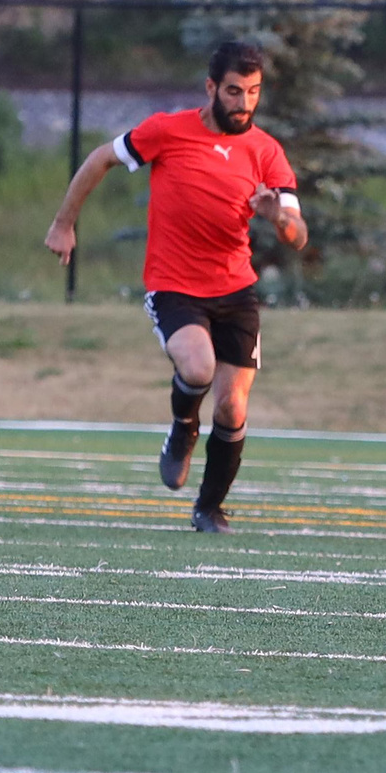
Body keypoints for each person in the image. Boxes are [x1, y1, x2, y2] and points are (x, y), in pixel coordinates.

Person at [44, 40, 306, 533]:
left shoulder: (266, 150)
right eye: (233, 91)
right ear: (211, 88)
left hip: (236, 291)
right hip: (174, 285)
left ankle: (209, 508)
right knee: (198, 364)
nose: (244, 103)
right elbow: (100, 159)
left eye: (253, 92)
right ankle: (183, 428)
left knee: (233, 406)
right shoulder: (167, 130)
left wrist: (280, 219)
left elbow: (298, 234)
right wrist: (63, 224)